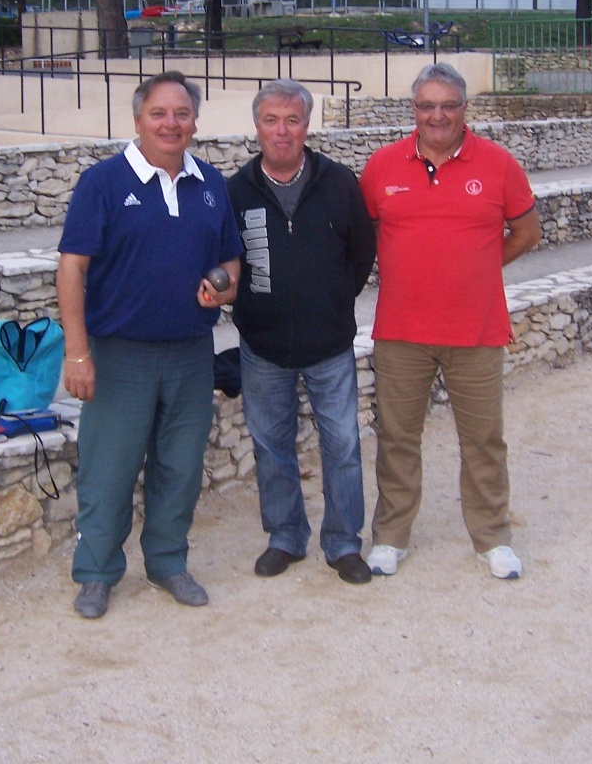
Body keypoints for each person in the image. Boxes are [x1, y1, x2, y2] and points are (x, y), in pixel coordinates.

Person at [57, 70, 242, 619]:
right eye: (159, 113)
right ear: (138, 119)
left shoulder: (210, 183)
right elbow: (72, 269)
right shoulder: (104, 183)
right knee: (108, 469)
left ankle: (167, 563)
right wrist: (77, 351)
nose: (171, 123)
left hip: (190, 353)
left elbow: (231, 259)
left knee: (179, 468)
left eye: (181, 114)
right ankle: (95, 573)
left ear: (195, 122)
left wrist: (221, 283)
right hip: (120, 356)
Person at [359, 62, 541, 581]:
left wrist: (481, 264)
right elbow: (366, 235)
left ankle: (492, 537)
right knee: (396, 437)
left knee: (483, 439)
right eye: (426, 105)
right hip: (401, 332)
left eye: (448, 105)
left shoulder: (499, 164)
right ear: (413, 109)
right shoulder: (383, 167)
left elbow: (527, 232)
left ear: (465, 108)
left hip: (476, 331)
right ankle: (391, 536)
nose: (437, 115)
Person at [226, 79, 377, 585]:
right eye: (271, 120)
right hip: (262, 346)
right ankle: (286, 536)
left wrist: (330, 303)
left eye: (292, 120)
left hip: (329, 346)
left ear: (307, 126)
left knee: (343, 447)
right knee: (272, 447)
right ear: (257, 127)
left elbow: (361, 256)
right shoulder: (236, 190)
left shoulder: (339, 183)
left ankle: (342, 542)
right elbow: (228, 262)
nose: (282, 130)